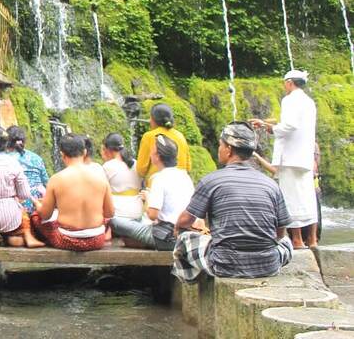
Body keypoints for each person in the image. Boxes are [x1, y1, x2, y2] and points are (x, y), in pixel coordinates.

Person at [173, 122, 293, 282]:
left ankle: (191, 282)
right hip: (268, 265)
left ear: (228, 149)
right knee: (287, 242)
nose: (219, 149)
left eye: (220, 145)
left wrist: (178, 229)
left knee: (184, 239)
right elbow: (280, 234)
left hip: (224, 265)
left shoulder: (211, 180)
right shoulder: (271, 184)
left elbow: (185, 220)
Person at [250, 70, 319, 249]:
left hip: (290, 157)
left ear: (289, 83)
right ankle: (312, 240)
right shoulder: (309, 101)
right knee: (308, 197)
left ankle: (296, 240)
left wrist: (270, 128)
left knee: (290, 197)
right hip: (304, 156)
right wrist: (268, 125)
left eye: (284, 83)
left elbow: (289, 126)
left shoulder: (289, 99)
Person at [32, 134, 114, 251]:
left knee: (36, 217)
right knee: (104, 220)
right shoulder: (100, 177)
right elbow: (109, 213)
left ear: (62, 154)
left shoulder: (56, 179)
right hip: (96, 240)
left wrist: (38, 206)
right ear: (85, 152)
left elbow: (46, 215)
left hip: (67, 240)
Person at [111, 135, 194, 250]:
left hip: (165, 236)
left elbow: (152, 215)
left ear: (157, 157)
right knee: (136, 224)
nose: (150, 154)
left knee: (114, 221)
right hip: (185, 235)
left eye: (152, 152)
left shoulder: (159, 178)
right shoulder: (185, 175)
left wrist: (148, 198)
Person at [136, 103, 191, 186]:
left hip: (156, 186)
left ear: (153, 120)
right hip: (180, 184)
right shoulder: (180, 136)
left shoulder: (149, 136)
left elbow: (141, 169)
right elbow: (188, 167)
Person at [6, 126, 49, 214]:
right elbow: (46, 181)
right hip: (39, 201)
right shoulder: (36, 158)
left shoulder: (5, 159)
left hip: (18, 202)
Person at [101, 133, 143, 220]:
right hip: (138, 210)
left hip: (118, 212)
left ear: (108, 150)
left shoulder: (108, 166)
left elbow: (101, 191)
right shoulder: (137, 163)